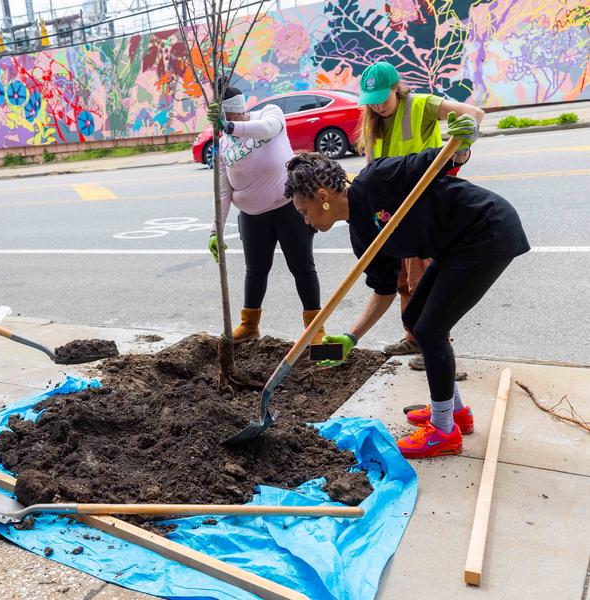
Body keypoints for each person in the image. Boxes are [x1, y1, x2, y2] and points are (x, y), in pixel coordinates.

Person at [283, 114, 529, 458]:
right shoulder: (361, 235)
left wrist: (463, 141)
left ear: (323, 196)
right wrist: (351, 339)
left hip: (486, 231)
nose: (305, 220)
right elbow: (383, 290)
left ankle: (444, 433)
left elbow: (444, 159)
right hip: (453, 246)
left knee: (430, 329)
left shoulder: (377, 179)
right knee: (414, 319)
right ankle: (453, 412)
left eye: (304, 211)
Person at [356, 61, 485, 375]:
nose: (377, 106)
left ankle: (438, 349)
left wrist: (465, 140)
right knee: (402, 282)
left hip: (423, 207)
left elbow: (475, 114)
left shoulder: (420, 105)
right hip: (392, 211)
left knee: (422, 282)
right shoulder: (374, 122)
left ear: (396, 88)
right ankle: (414, 338)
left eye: (382, 99)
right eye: (370, 100)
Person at [205, 82, 323, 344]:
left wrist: (230, 126)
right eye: (225, 120)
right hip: (252, 217)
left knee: (302, 268)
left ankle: (315, 330)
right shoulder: (224, 145)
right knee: (255, 271)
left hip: (289, 208)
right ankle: (249, 326)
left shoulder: (269, 115)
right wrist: (215, 231)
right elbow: (223, 193)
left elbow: (267, 130)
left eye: (232, 117)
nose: (230, 124)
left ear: (239, 111)